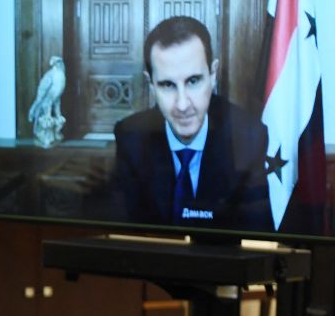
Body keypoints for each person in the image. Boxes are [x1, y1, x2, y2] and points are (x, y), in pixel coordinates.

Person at [113, 16, 273, 231]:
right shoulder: (131, 137)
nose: (182, 104)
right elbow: (127, 237)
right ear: (151, 85)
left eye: (193, 81)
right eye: (168, 85)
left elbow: (256, 239)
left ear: (213, 75)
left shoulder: (248, 136)